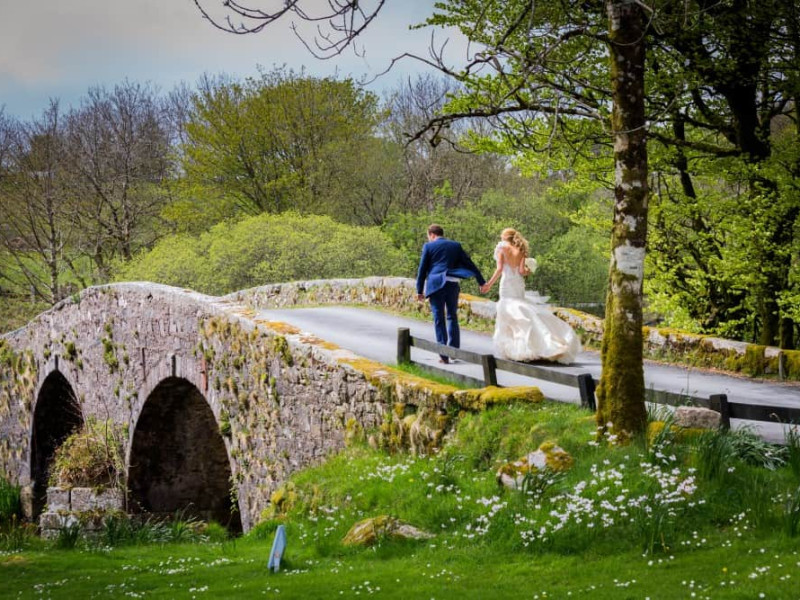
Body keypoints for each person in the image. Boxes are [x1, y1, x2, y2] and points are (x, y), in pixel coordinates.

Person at [480, 228, 581, 364]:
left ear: (504, 237)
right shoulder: (520, 250)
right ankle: (540, 343)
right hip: (518, 284)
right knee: (521, 309)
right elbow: (522, 271)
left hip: (507, 284)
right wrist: (529, 270)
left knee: (510, 312)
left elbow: (499, 269)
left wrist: (488, 284)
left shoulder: (501, 247)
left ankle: (518, 348)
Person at [416, 224, 486, 364]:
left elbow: (422, 269)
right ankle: (454, 351)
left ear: (432, 235)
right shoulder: (455, 245)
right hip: (452, 283)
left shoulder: (428, 247)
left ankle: (444, 355)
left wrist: (419, 290)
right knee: (452, 316)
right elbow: (469, 263)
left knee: (438, 317)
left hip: (436, 285)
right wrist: (481, 281)